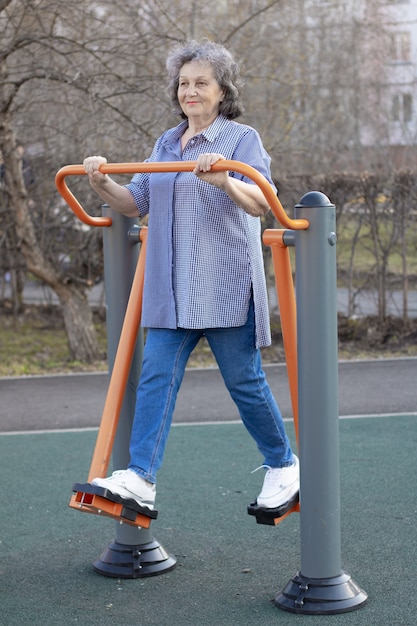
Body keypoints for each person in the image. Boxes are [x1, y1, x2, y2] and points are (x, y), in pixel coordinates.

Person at [83, 39, 299, 513]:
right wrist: (101, 181)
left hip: (221, 284)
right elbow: (136, 202)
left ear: (223, 91)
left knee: (243, 380)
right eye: (184, 83)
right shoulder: (166, 142)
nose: (190, 91)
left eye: (201, 83)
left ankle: (284, 465)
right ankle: (140, 477)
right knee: (156, 377)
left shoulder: (242, 140)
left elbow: (262, 202)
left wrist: (225, 180)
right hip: (170, 286)